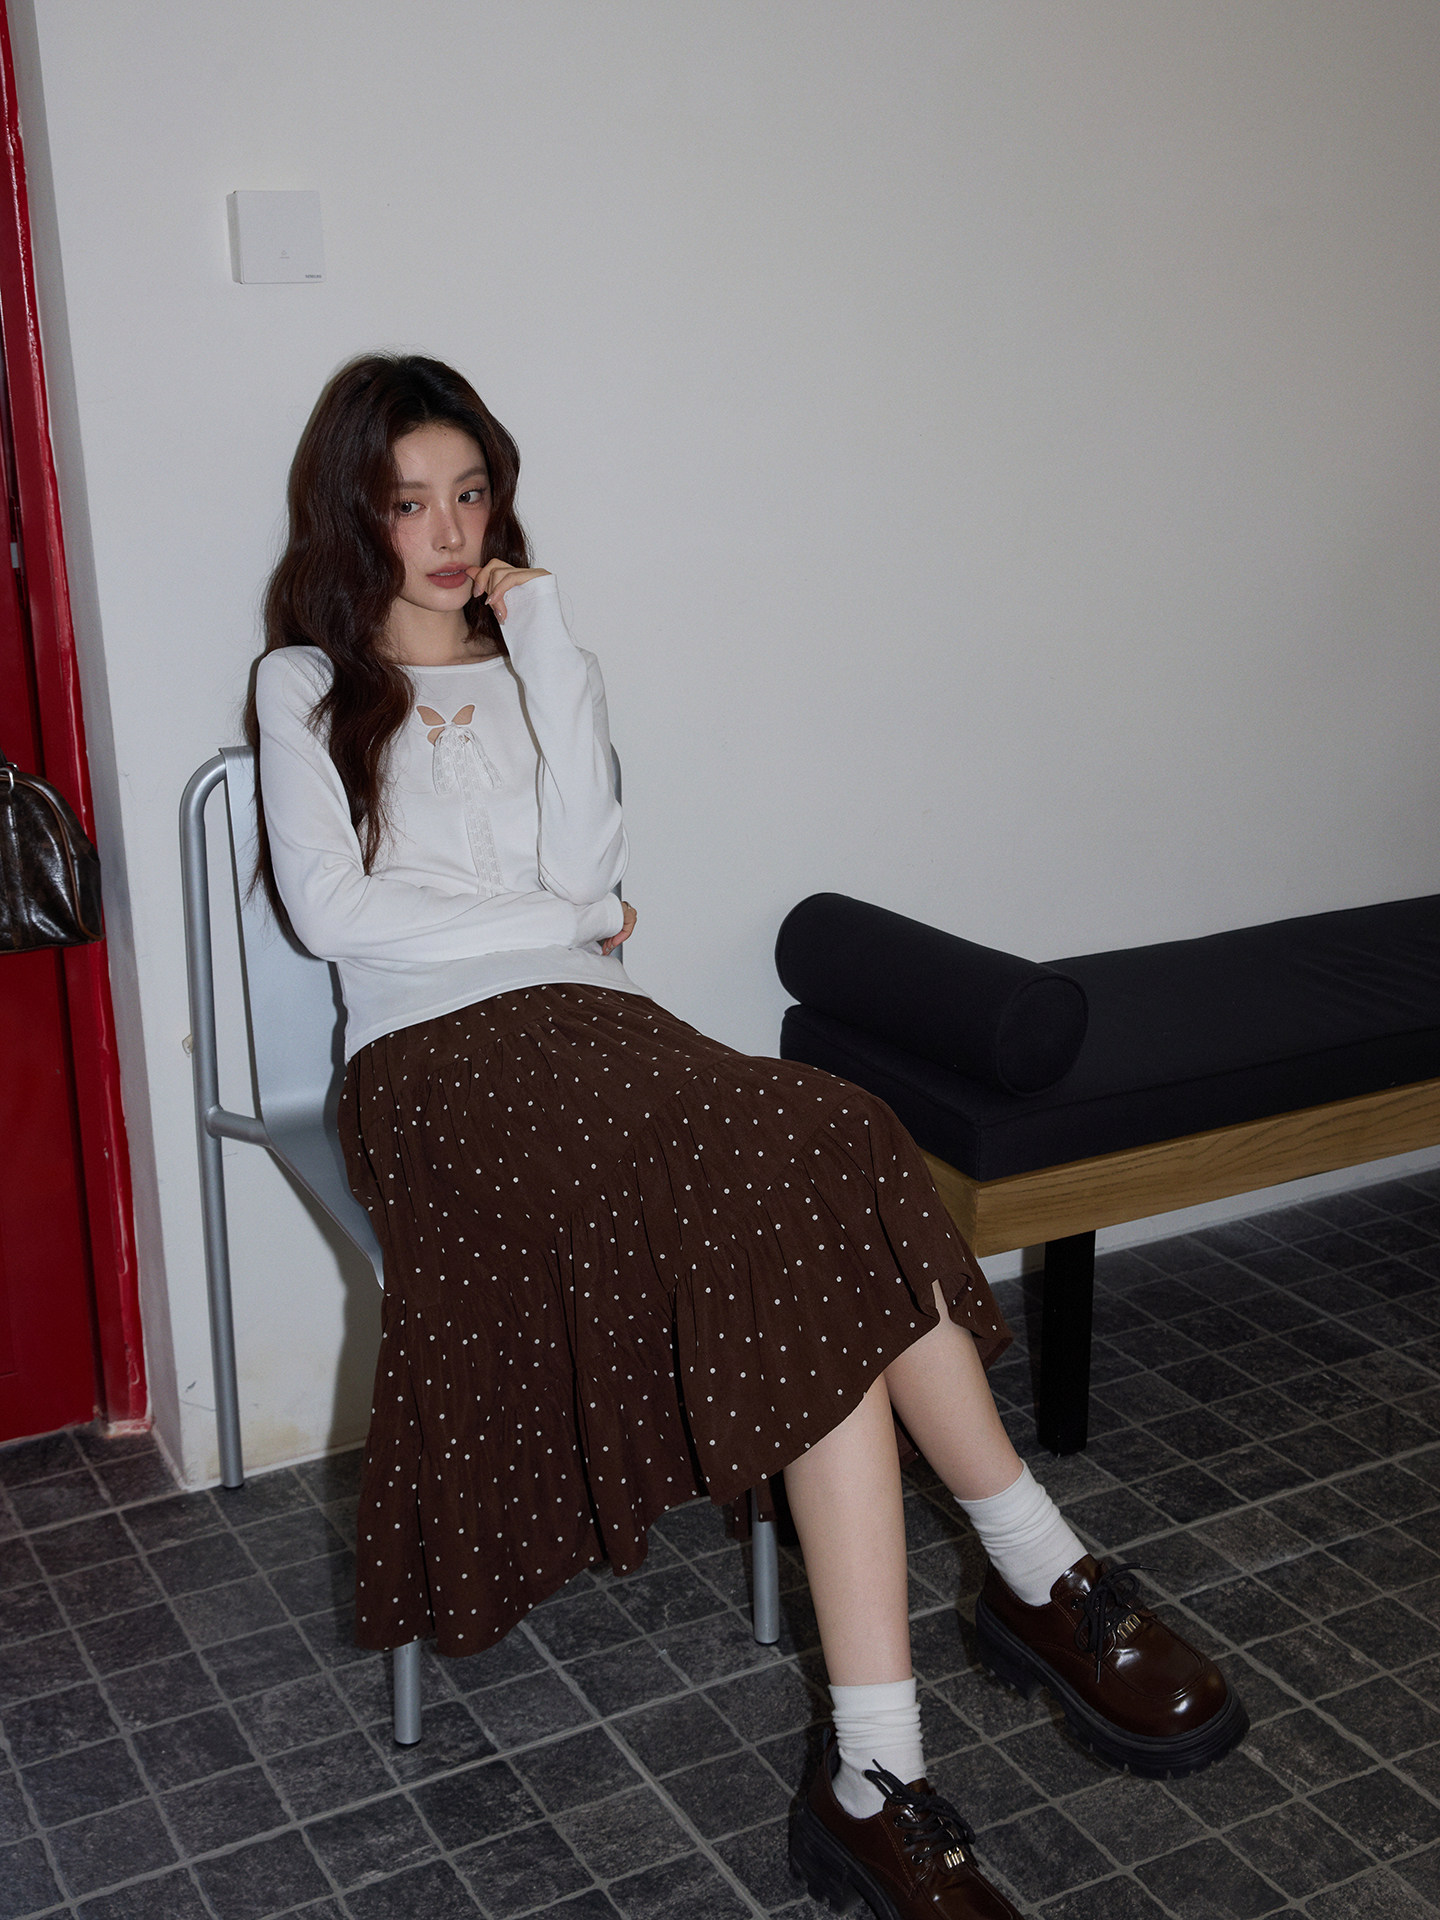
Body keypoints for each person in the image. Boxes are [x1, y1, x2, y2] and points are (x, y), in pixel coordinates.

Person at [248, 354, 1246, 1920]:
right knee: (797, 1184)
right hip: (433, 1074)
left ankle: (888, 1755)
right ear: (350, 517)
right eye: (407, 503)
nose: (447, 533)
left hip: (600, 1031)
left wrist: (549, 649)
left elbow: (594, 864)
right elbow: (336, 918)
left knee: (830, 1130)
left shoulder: (540, 662)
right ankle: (1034, 1581)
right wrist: (555, 918)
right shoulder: (304, 687)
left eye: (471, 495)